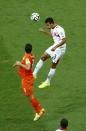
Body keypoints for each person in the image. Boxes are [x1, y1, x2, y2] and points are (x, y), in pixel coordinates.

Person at [13, 43, 45, 121]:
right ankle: (40, 109)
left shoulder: (27, 57)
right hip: (28, 77)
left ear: (25, 49)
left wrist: (19, 64)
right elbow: (30, 60)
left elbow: (27, 67)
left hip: (27, 79)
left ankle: (39, 111)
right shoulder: (31, 55)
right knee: (30, 95)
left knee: (30, 96)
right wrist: (19, 64)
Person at [33, 17, 66, 88]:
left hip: (60, 49)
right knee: (43, 57)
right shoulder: (52, 28)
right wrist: (43, 31)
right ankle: (34, 74)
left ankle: (47, 82)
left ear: (52, 23)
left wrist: (55, 47)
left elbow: (64, 40)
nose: (47, 26)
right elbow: (53, 36)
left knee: (53, 65)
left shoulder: (60, 29)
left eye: (48, 25)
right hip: (55, 46)